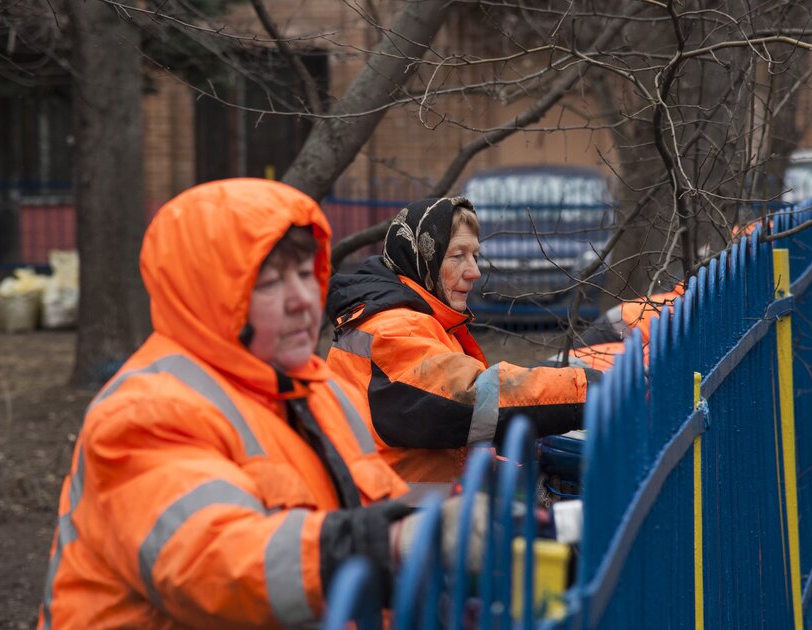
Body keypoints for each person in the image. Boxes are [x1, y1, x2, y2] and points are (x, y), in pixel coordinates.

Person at [37, 179, 480, 629]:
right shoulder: (147, 410)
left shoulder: (317, 391)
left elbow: (362, 518)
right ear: (210, 297)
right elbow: (216, 564)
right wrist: (396, 541)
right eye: (269, 282)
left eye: (307, 275)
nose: (300, 301)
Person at [325, 197, 599, 501]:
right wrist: (587, 390)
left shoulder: (427, 321)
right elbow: (469, 400)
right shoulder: (392, 329)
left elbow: (443, 448)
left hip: (424, 520)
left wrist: (511, 471)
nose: (473, 272)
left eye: (474, 255)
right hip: (403, 532)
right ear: (421, 257)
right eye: (457, 256)